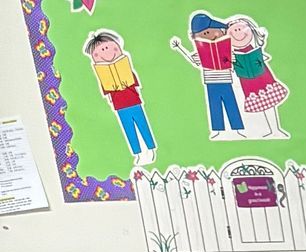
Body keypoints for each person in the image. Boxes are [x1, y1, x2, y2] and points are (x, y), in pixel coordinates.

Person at [83, 30, 156, 166]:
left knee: (142, 125)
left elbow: (134, 81)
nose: (106, 51)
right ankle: (138, 153)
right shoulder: (102, 72)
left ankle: (150, 150)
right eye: (99, 52)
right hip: (119, 105)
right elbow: (106, 89)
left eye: (109, 47)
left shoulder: (125, 65)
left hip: (134, 101)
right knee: (129, 129)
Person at [170, 13, 244, 139]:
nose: (211, 36)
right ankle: (218, 130)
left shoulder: (226, 47)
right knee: (214, 105)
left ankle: (237, 129)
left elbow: (235, 60)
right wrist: (180, 48)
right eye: (204, 34)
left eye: (212, 32)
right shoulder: (201, 50)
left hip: (226, 80)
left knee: (230, 103)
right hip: (211, 82)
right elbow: (193, 60)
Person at [228, 15, 289, 142]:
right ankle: (271, 130)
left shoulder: (255, 46)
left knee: (270, 104)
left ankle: (275, 129)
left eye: (241, 29)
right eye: (234, 30)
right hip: (248, 81)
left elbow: (260, 44)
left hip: (263, 78)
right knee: (264, 106)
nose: (238, 32)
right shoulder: (232, 54)